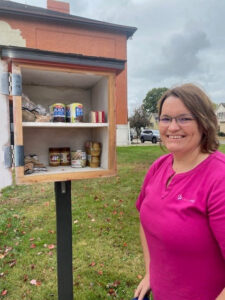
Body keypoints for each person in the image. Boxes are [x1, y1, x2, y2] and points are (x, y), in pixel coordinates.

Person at [134, 83, 225, 300]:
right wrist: (151, 273)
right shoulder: (159, 166)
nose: (172, 127)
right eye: (166, 118)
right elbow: (145, 221)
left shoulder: (219, 178)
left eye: (184, 118)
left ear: (204, 123)